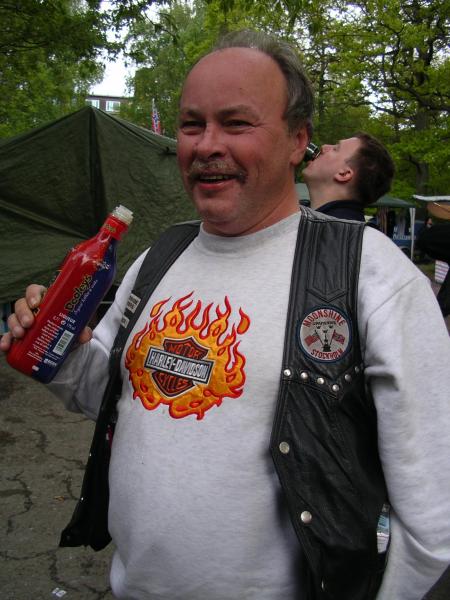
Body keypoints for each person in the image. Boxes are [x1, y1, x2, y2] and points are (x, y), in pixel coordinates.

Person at [2, 29, 450, 600]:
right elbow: (108, 393)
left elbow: (432, 514)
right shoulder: (161, 254)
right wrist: (52, 349)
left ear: (297, 140)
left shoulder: (369, 272)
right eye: (192, 125)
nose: (206, 145)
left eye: (237, 123)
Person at [302, 133, 395, 221]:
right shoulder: (301, 219)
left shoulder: (340, 230)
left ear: (344, 174)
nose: (324, 147)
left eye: (336, 149)